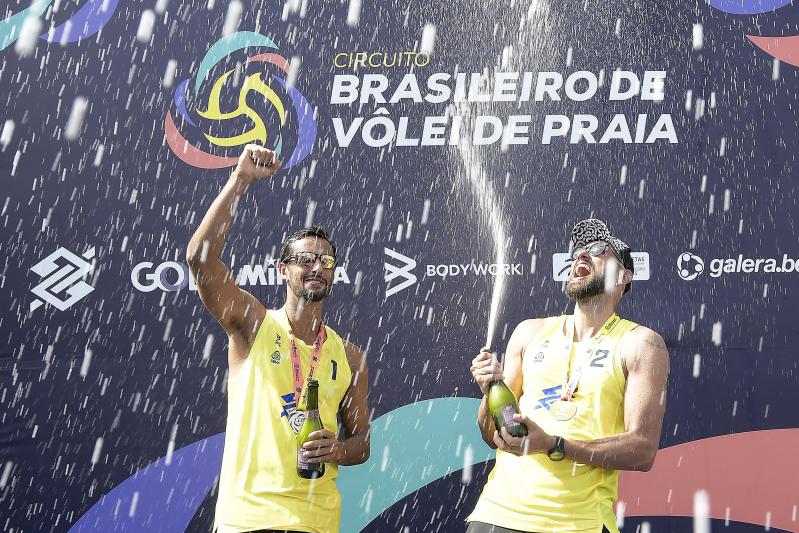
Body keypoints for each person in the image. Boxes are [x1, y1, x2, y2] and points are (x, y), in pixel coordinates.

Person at [186, 144, 370, 533]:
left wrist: (336, 450)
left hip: (316, 523)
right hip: (249, 519)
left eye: (326, 261)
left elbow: (362, 443)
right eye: (305, 260)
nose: (316, 267)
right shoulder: (253, 326)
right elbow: (201, 259)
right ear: (283, 270)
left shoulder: (351, 357)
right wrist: (240, 181)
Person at [467, 219, 669, 533]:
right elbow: (492, 433)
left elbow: (642, 450)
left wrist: (554, 444)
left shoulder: (641, 343)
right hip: (497, 516)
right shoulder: (529, 332)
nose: (581, 256)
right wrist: (489, 389)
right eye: (577, 252)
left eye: (599, 250)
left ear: (625, 275)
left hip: (579, 524)